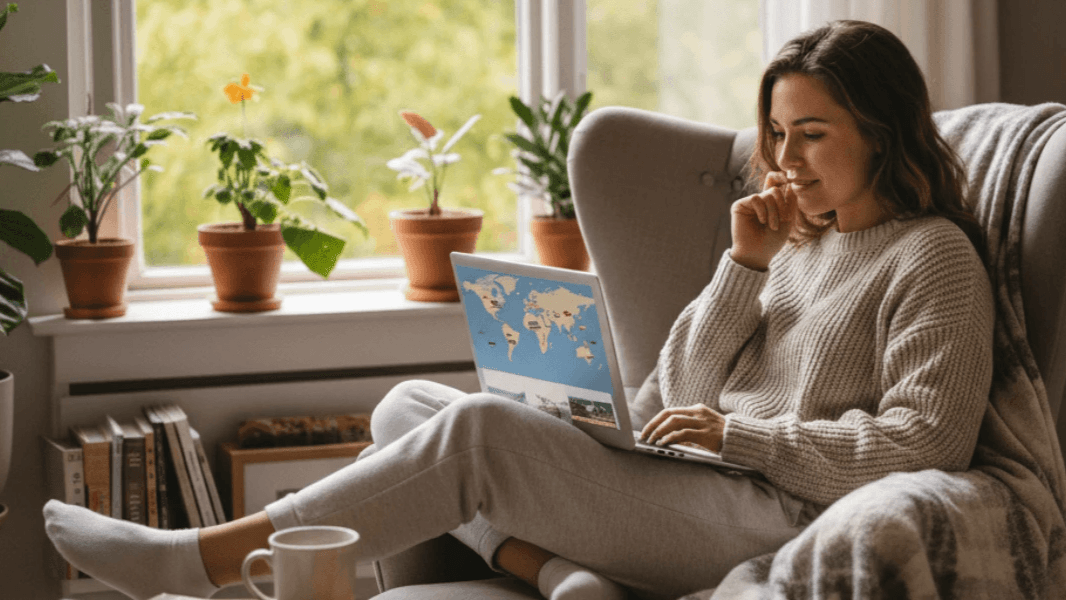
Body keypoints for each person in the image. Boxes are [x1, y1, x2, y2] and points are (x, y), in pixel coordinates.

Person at [43, 19, 994, 600]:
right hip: (702, 476)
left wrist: (741, 440)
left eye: (813, 136)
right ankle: (559, 574)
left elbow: (928, 443)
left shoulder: (933, 257)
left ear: (880, 131)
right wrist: (741, 268)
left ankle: (191, 563)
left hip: (776, 513)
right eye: (777, 134)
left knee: (480, 439)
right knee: (408, 407)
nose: (784, 162)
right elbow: (675, 390)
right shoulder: (789, 246)